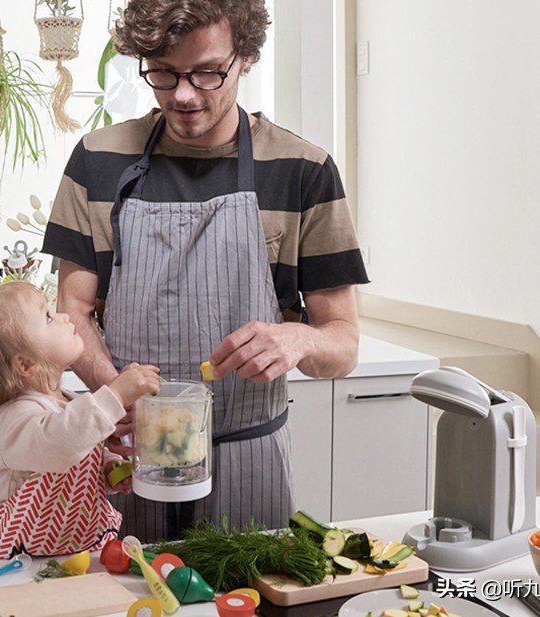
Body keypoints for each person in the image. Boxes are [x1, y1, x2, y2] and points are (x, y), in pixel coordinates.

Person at [42, 0, 369, 542]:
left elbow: (344, 343)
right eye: (163, 73)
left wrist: (298, 340)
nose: (183, 95)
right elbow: (71, 313)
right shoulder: (97, 160)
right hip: (134, 457)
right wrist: (114, 396)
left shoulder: (304, 171)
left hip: (250, 457)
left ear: (245, 57)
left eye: (206, 72)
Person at [0, 280, 160, 559]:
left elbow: (77, 452)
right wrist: (116, 394)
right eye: (49, 317)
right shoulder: (17, 417)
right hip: (25, 563)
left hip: (80, 553)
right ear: (26, 364)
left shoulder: (68, 402)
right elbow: (60, 443)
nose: (63, 316)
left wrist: (107, 469)